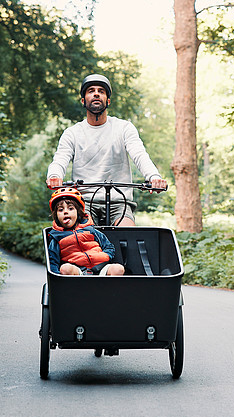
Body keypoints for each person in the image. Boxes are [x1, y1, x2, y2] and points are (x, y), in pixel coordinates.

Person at [46, 73, 168, 226]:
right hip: (84, 201)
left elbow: (139, 154)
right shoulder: (72, 133)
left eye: (101, 91)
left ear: (108, 101)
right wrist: (55, 176)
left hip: (120, 201)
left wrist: (153, 177)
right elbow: (60, 159)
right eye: (91, 91)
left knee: (127, 234)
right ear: (83, 101)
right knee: (84, 234)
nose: (96, 94)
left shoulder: (124, 128)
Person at [47, 187, 125, 276]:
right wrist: (56, 278)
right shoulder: (56, 235)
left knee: (118, 269)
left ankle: (109, 284)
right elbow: (53, 260)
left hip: (100, 266)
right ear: (56, 215)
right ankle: (75, 283)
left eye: (70, 208)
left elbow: (108, 246)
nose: (65, 212)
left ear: (78, 212)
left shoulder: (90, 229)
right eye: (61, 210)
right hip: (77, 270)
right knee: (66, 269)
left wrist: (105, 256)